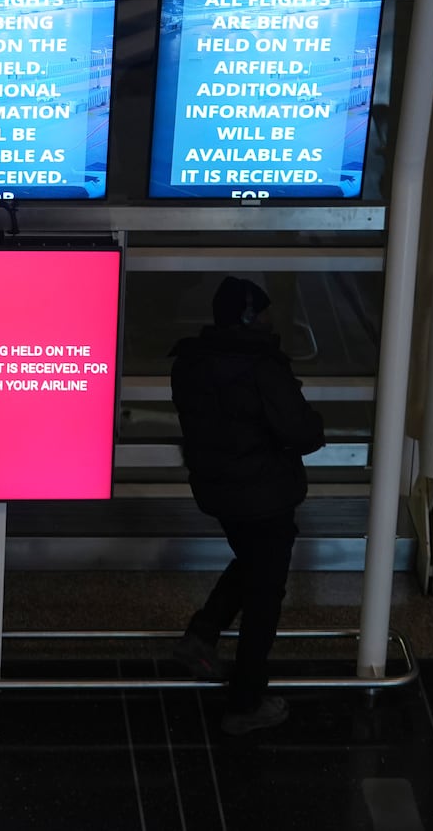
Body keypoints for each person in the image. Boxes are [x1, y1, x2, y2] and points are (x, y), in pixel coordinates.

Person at [168, 276, 325, 735]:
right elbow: (302, 433)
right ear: (248, 317)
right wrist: (313, 422)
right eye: (263, 312)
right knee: (265, 596)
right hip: (265, 495)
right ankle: (246, 702)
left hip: (219, 494)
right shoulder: (261, 367)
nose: (270, 319)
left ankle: (201, 636)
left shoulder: (190, 363)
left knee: (253, 560)